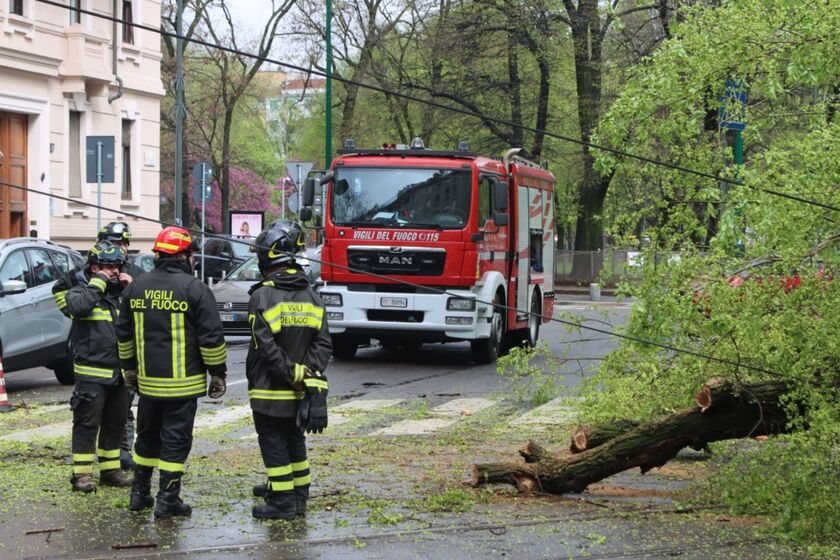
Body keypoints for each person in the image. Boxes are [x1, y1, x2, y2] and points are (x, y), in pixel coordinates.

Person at [116, 226, 228, 518]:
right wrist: (218, 374)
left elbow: (124, 335)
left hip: (148, 387)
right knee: (176, 442)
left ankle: (139, 495)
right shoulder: (194, 289)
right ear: (183, 255)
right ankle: (168, 500)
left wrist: (129, 369)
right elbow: (211, 339)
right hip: (182, 387)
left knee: (147, 438)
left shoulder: (136, 287)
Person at [247, 220, 332, 520]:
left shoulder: (263, 296)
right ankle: (298, 500)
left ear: (268, 259)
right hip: (301, 392)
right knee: (295, 443)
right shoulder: (312, 296)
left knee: (273, 444)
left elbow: (266, 349)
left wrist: (292, 373)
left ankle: (281, 503)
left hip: (269, 389)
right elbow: (323, 344)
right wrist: (306, 375)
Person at [53, 241, 134, 493]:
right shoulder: (77, 289)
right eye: (105, 266)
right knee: (87, 424)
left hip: (120, 374)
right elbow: (77, 308)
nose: (111, 270)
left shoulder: (122, 292)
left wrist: (133, 289)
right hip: (91, 373)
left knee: (115, 423)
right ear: (93, 266)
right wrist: (98, 282)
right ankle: (82, 477)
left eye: (115, 266)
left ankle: (110, 472)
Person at [97, 221, 141, 470]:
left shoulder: (135, 274)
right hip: (98, 354)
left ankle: (124, 452)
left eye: (122, 244)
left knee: (124, 406)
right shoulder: (91, 272)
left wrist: (131, 286)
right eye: (112, 243)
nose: (118, 248)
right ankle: (108, 455)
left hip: (128, 353)